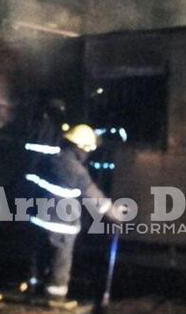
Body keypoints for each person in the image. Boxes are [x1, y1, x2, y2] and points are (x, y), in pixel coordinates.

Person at [23, 123, 123, 302]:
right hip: (62, 228)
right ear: (82, 148)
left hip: (39, 221)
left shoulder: (49, 160)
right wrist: (115, 214)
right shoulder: (77, 171)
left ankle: (33, 291)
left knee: (39, 258)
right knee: (60, 264)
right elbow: (94, 198)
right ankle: (55, 300)